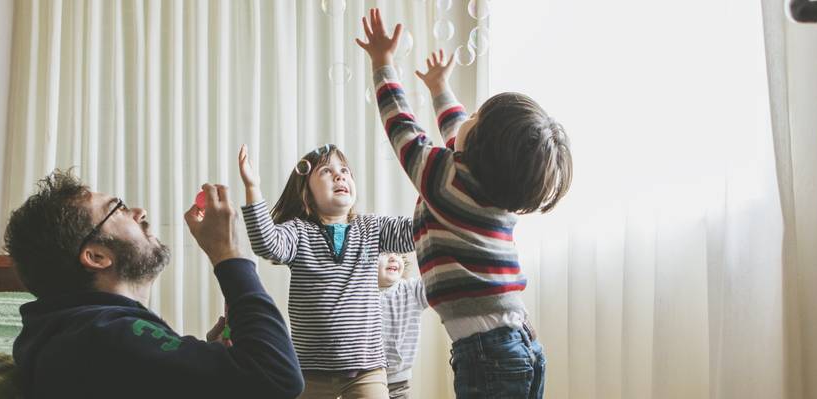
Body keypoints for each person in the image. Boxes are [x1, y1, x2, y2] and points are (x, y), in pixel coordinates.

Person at [356, 8, 573, 398]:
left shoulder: (443, 177)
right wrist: (440, 87)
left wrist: (382, 64)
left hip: (488, 353)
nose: (466, 116)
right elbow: (460, 130)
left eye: (477, 115)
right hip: (520, 343)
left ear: (479, 148)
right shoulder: (494, 190)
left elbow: (402, 127)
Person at [5, 170, 304, 398]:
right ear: (96, 255)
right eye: (118, 209)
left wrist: (206, 360)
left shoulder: (75, 335)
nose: (139, 212)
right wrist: (227, 254)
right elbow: (278, 378)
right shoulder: (107, 336)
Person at [237, 144, 414, 398]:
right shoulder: (298, 233)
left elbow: (414, 231)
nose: (339, 176)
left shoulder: (371, 228)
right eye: (326, 172)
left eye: (344, 171)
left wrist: (434, 192)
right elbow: (267, 243)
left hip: (367, 369)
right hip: (309, 371)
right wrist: (252, 188)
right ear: (306, 193)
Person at [377, 252, 428, 399]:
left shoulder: (411, 290)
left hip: (398, 382)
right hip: (362, 380)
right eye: (385, 253)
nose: (393, 257)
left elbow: (434, 279)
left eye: (397, 254)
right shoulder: (360, 292)